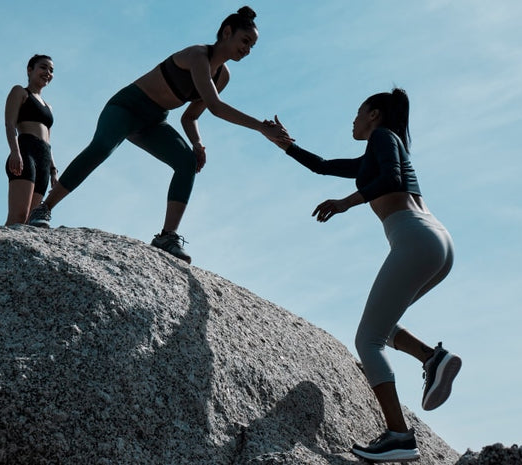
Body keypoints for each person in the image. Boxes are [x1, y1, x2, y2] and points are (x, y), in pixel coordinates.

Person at [264, 89, 462, 463]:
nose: (352, 121)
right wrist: (286, 145)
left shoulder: (384, 138)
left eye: (357, 114)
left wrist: (344, 204)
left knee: (367, 340)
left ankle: (399, 436)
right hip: (437, 241)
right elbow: (323, 166)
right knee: (382, 327)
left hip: (415, 237)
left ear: (373, 114)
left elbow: (389, 179)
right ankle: (432, 359)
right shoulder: (379, 148)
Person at [26, 6, 287, 264]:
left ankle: (167, 236)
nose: (248, 49)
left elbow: (190, 116)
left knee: (186, 162)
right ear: (227, 32)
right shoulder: (198, 55)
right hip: (126, 107)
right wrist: (262, 128)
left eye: (252, 45)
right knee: (103, 146)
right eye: (245, 41)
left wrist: (197, 144)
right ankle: (44, 208)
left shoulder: (223, 76)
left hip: (153, 121)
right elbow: (217, 107)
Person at [3, 54, 58, 225]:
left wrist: (53, 170)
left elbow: (48, 140)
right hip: (25, 153)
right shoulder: (20, 92)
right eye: (43, 67)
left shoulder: (49, 107)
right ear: (29, 70)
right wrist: (14, 151)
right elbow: (10, 124)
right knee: (18, 217)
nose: (47, 72)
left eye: (51, 70)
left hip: (43, 160)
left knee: (30, 222)